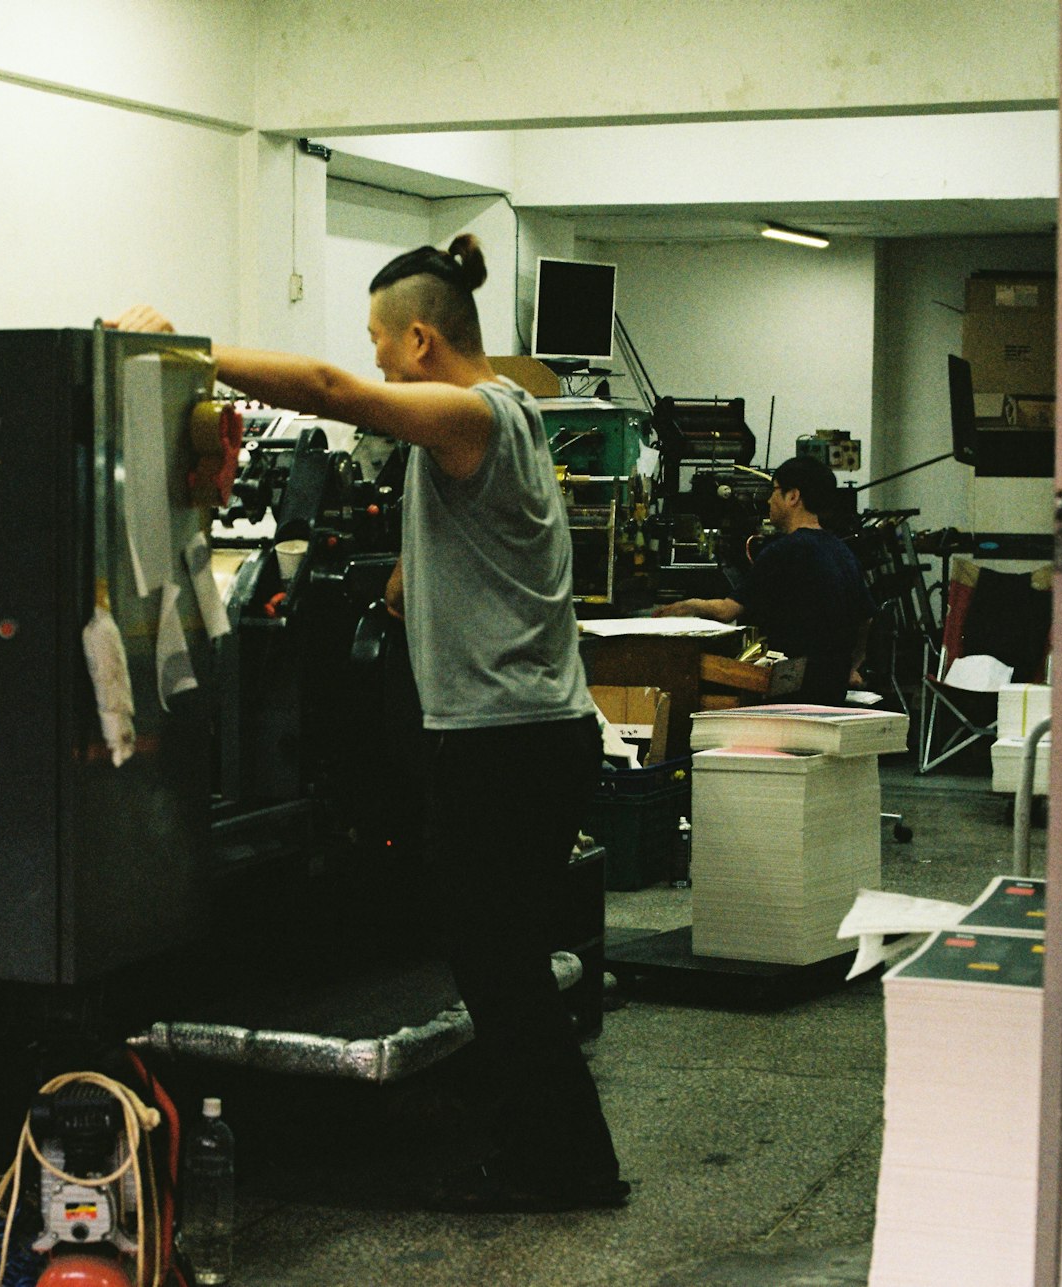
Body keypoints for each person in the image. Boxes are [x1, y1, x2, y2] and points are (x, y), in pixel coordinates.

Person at [113, 233, 626, 1214]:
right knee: (498, 958)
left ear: (421, 340)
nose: (378, 362)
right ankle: (545, 1150)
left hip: (506, 741)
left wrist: (181, 355)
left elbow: (326, 389)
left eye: (383, 344)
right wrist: (403, 585)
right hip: (523, 735)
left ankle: (564, 1168)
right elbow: (439, 565)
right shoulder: (503, 424)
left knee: (500, 964)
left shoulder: (475, 413)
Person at [654, 455, 875, 706]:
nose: (769, 500)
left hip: (790, 694)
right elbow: (866, 620)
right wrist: (849, 667)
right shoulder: (842, 551)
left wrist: (688, 606)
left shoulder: (783, 552)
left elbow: (727, 611)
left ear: (793, 497)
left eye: (774, 490)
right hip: (831, 693)